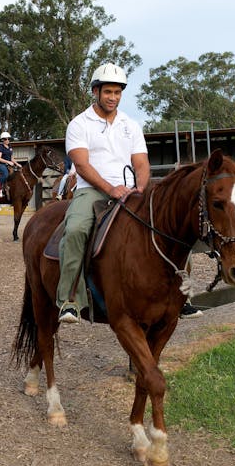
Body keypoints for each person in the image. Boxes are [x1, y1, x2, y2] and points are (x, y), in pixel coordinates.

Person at [56, 62, 151, 324]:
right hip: (93, 191)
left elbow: (141, 163)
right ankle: (69, 299)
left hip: (130, 191)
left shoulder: (130, 125)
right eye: (108, 92)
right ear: (95, 92)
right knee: (75, 230)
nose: (113, 97)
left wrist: (140, 189)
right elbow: (82, 165)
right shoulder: (79, 124)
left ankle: (181, 297)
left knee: (170, 222)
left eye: (117, 92)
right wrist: (111, 189)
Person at [0, 132, 21, 199]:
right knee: (5, 174)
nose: (7, 140)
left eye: (8, 139)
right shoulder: (0, 147)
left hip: (9, 165)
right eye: (5, 139)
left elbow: (11, 158)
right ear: (2, 140)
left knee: (18, 174)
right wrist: (8, 162)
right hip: (2, 165)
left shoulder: (10, 147)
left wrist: (17, 164)